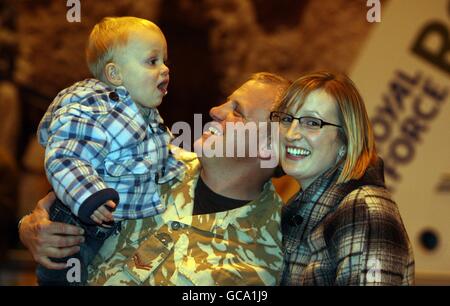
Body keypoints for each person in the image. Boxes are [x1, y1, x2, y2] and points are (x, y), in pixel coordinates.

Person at [19, 72, 292, 285]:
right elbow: (59, 199)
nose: (216, 110)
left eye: (238, 112)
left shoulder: (267, 253)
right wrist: (31, 229)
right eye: (226, 101)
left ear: (267, 149)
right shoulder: (146, 157)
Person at [35, 16, 184, 285]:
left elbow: (159, 152)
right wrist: (89, 196)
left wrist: (176, 169)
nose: (165, 69)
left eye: (165, 60)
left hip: (111, 224)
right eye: (153, 61)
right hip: (76, 222)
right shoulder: (91, 109)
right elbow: (65, 157)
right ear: (115, 74)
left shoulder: (146, 113)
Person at [270, 71, 414, 285]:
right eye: (287, 118)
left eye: (312, 123)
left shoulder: (364, 209)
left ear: (346, 140)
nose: (291, 134)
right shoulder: (303, 209)